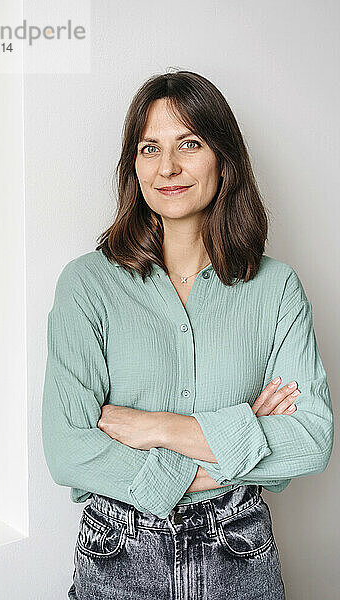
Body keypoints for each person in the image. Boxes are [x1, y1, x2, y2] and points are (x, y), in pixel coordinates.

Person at [41, 71, 334, 599]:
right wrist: (238, 442)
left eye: (189, 144)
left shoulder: (277, 287)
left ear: (224, 158)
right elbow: (68, 450)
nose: (168, 167)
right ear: (133, 164)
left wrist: (158, 427)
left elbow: (311, 441)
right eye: (150, 147)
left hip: (240, 554)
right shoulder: (87, 284)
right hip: (119, 555)